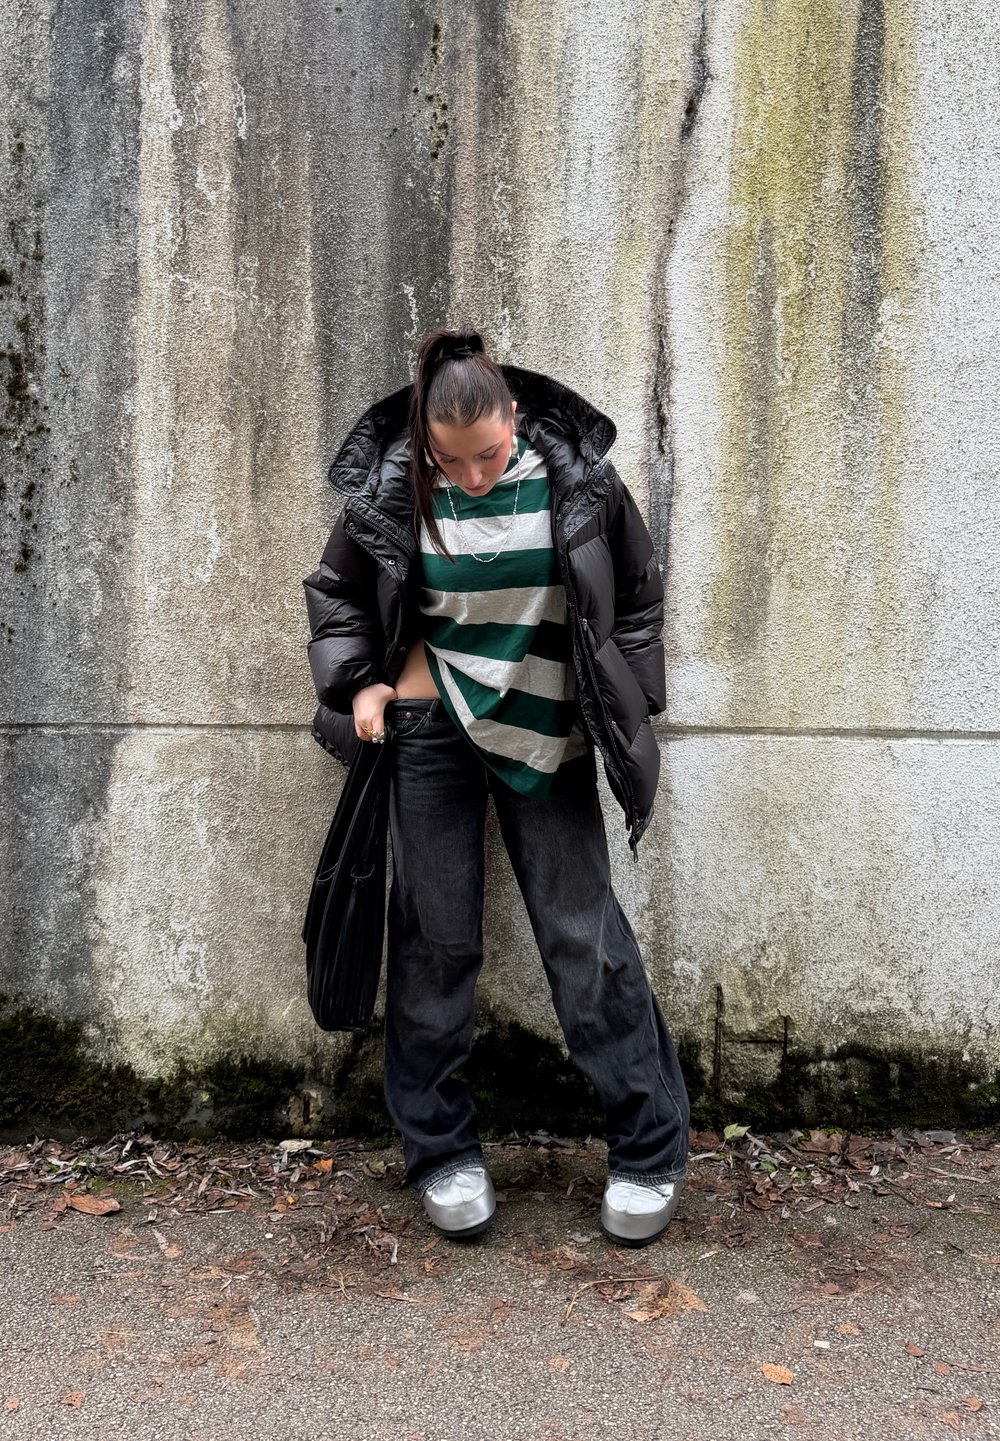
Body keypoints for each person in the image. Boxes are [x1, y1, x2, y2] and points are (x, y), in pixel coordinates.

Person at [303, 328, 690, 1246]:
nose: (472, 475)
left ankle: (648, 1146)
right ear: (426, 443)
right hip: (432, 732)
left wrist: (636, 699)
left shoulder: (579, 479)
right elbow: (339, 592)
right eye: (453, 461)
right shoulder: (399, 480)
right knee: (435, 943)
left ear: (514, 415)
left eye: (488, 455)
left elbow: (634, 593)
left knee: (582, 939)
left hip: (548, 731)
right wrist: (361, 682)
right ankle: (440, 1147)